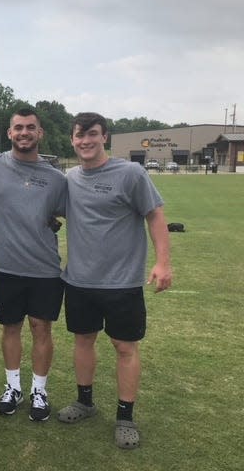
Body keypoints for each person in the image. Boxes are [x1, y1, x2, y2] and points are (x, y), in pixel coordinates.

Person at [57, 112, 172, 449]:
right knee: (83, 341)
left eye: (92, 134)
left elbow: (155, 215)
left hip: (122, 283)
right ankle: (85, 402)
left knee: (124, 347)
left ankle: (125, 416)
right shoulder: (69, 178)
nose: (85, 141)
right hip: (78, 280)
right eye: (79, 135)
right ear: (72, 140)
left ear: (104, 137)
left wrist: (164, 263)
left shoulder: (131, 174)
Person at [0, 108, 67, 421]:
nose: (24, 133)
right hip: (4, 265)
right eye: (19, 127)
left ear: (40, 133)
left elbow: (71, 215)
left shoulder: (57, 178)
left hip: (44, 268)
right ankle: (12, 387)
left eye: (31, 127)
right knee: (10, 326)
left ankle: (39, 391)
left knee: (41, 328)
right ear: (9, 133)